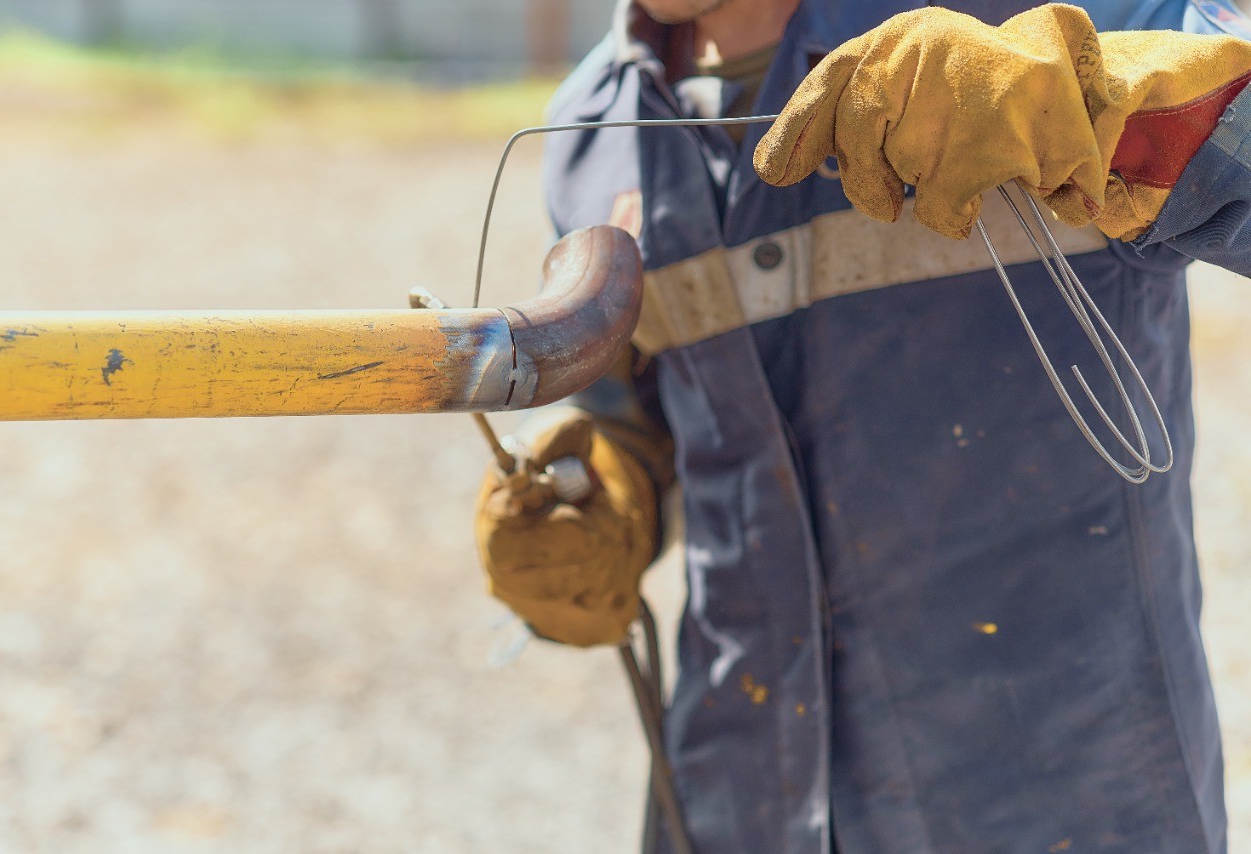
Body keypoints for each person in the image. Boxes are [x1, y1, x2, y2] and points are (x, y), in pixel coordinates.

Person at [476, 0, 1251, 850]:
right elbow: (657, 413)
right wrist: (613, 494)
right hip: (739, 808)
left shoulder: (1054, 18)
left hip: (1063, 806)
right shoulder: (596, 127)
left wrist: (1084, 100)